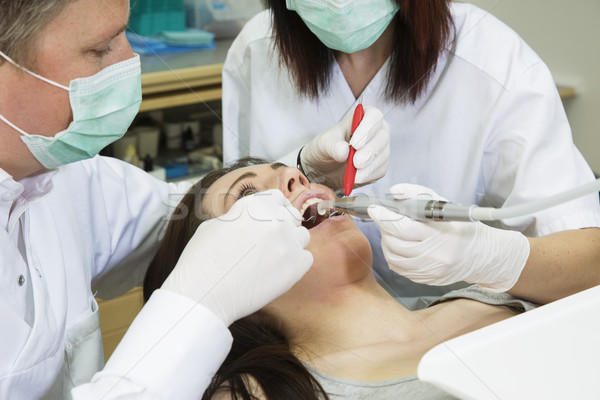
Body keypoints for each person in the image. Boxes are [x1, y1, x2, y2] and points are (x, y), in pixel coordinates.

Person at [0, 1, 313, 398]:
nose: (131, 61)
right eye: (99, 49)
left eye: (124, 34)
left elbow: (180, 214)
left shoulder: (64, 175)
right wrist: (196, 308)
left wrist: (305, 167)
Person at [222, 0, 600, 307]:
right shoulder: (257, 50)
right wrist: (300, 163)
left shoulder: (493, 59)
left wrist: (491, 258)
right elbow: (222, 227)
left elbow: (589, 262)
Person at [142, 157, 537, 399]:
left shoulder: (487, 294)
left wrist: (502, 258)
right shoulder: (259, 392)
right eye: (247, 197)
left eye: (289, 172)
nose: (296, 178)